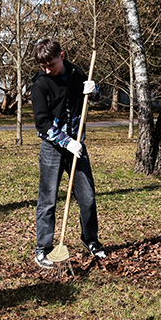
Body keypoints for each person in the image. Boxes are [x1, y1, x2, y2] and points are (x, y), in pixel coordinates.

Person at [31, 38, 106, 269]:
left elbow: (93, 97)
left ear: (61, 56)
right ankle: (43, 249)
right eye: (42, 66)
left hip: (77, 147)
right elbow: (42, 123)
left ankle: (90, 240)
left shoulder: (76, 73)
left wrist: (94, 90)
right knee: (48, 200)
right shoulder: (40, 84)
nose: (47, 70)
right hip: (53, 148)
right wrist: (66, 142)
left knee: (88, 198)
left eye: (50, 65)